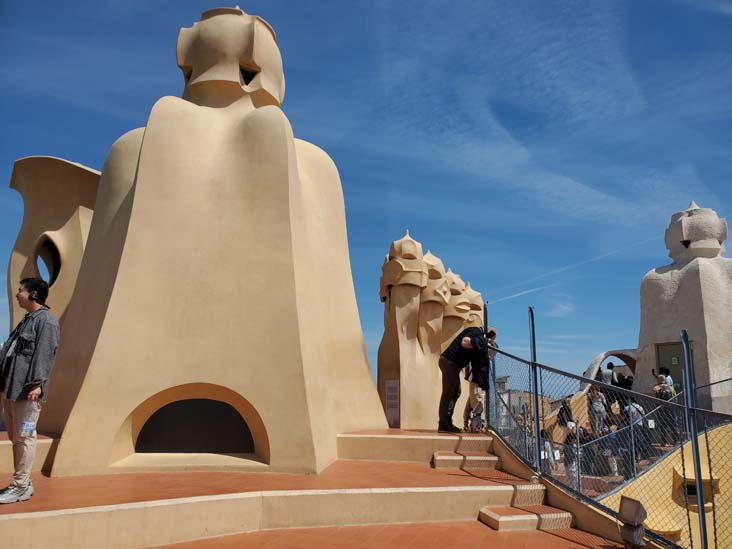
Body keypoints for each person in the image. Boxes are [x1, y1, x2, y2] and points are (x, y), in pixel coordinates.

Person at [0, 278, 59, 504]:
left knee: (24, 437)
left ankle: (20, 485)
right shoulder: (28, 320)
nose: (17, 295)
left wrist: (37, 383)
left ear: (33, 294)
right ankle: (21, 482)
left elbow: (45, 354)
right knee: (17, 438)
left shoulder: (46, 322)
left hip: (28, 392)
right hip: (12, 390)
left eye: (20, 291)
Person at [438, 326, 495, 433]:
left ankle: (447, 422)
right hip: (450, 363)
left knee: (456, 392)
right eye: (491, 335)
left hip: (452, 364)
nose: (491, 339)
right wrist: (485, 339)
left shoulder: (478, 336)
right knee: (448, 393)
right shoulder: (475, 331)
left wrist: (484, 342)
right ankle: (443, 424)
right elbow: (465, 342)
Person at [462, 331, 497, 433]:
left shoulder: (484, 346)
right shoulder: (481, 345)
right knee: (478, 402)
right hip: (477, 378)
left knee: (474, 400)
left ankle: (472, 425)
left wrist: (489, 340)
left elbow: (494, 349)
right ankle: (476, 427)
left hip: (480, 379)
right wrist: (487, 339)